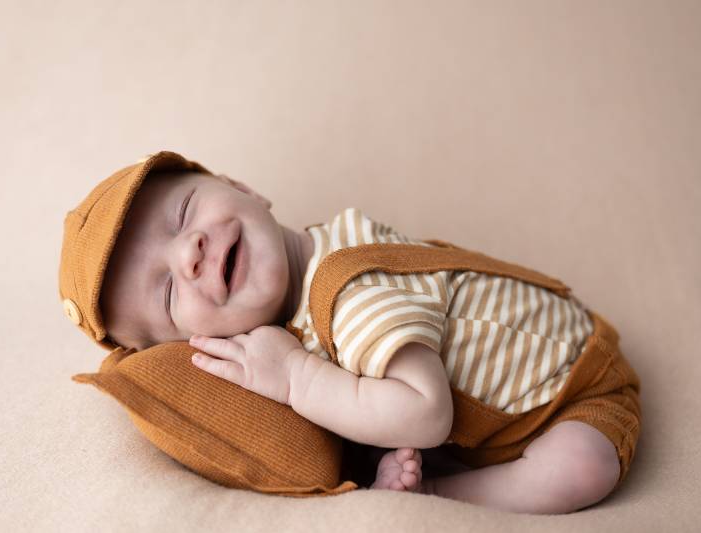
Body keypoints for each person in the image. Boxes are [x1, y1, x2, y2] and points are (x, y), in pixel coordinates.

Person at [59, 151, 638, 514]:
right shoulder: (330, 238)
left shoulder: (347, 296)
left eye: (183, 212)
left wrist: (298, 379)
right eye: (167, 292)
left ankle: (440, 497)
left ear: (244, 188)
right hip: (553, 338)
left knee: (582, 467)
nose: (188, 253)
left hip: (576, 390)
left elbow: (426, 414)